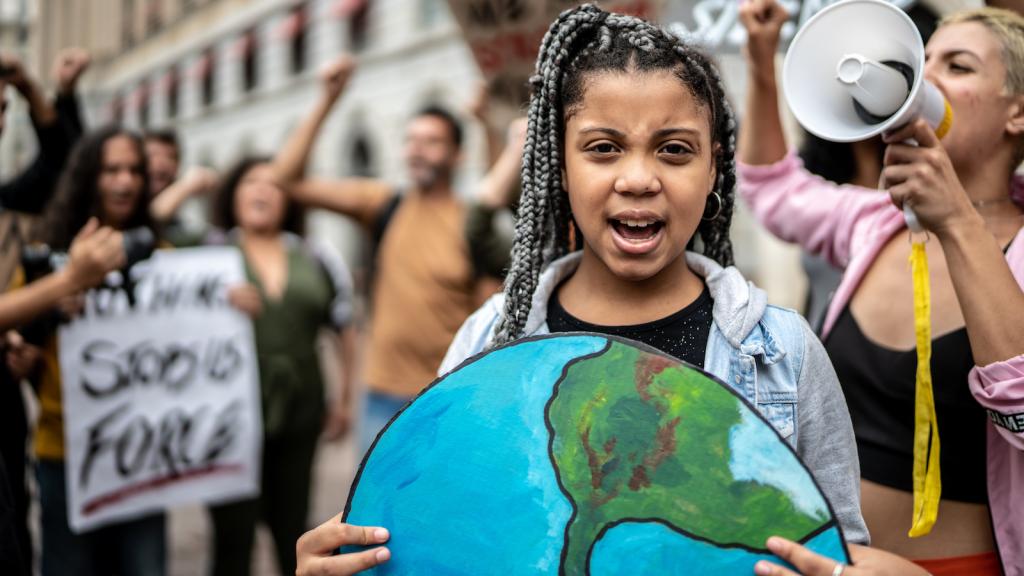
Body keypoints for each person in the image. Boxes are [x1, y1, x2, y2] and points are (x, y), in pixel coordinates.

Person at [298, 5, 869, 573]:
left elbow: (840, 546)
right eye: (603, 148)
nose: (639, 178)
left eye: (674, 149)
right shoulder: (489, 339)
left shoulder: (781, 352)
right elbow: (433, 537)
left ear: (714, 166)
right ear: (560, 167)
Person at [738, 1, 1024, 573]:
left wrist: (959, 220)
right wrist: (762, 60)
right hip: (826, 561)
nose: (922, 76)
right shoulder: (878, 221)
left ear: (1018, 113)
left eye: (958, 66)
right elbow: (771, 188)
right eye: (922, 58)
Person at [272, 57, 498, 453]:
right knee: (370, 516)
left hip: (445, 398)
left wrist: (485, 121)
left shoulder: (471, 223)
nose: (416, 151)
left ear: (457, 154)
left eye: (431, 142)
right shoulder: (382, 203)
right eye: (411, 140)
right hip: (380, 400)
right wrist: (328, 99)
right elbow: (286, 180)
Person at [14, 126, 165, 576]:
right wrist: (36, 338)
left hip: (145, 456)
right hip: (66, 453)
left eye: (135, 170)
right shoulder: (46, 256)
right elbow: (19, 341)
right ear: (88, 177)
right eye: (111, 169)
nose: (125, 182)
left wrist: (229, 304)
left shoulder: (165, 253)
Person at [204, 157, 358, 576]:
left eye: (274, 184)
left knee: (293, 524)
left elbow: (344, 329)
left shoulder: (316, 255)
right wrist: (215, 301)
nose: (262, 191)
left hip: (301, 410)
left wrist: (343, 399)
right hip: (228, 417)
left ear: (289, 198)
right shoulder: (209, 255)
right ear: (232, 194)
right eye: (251, 181)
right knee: (231, 536)